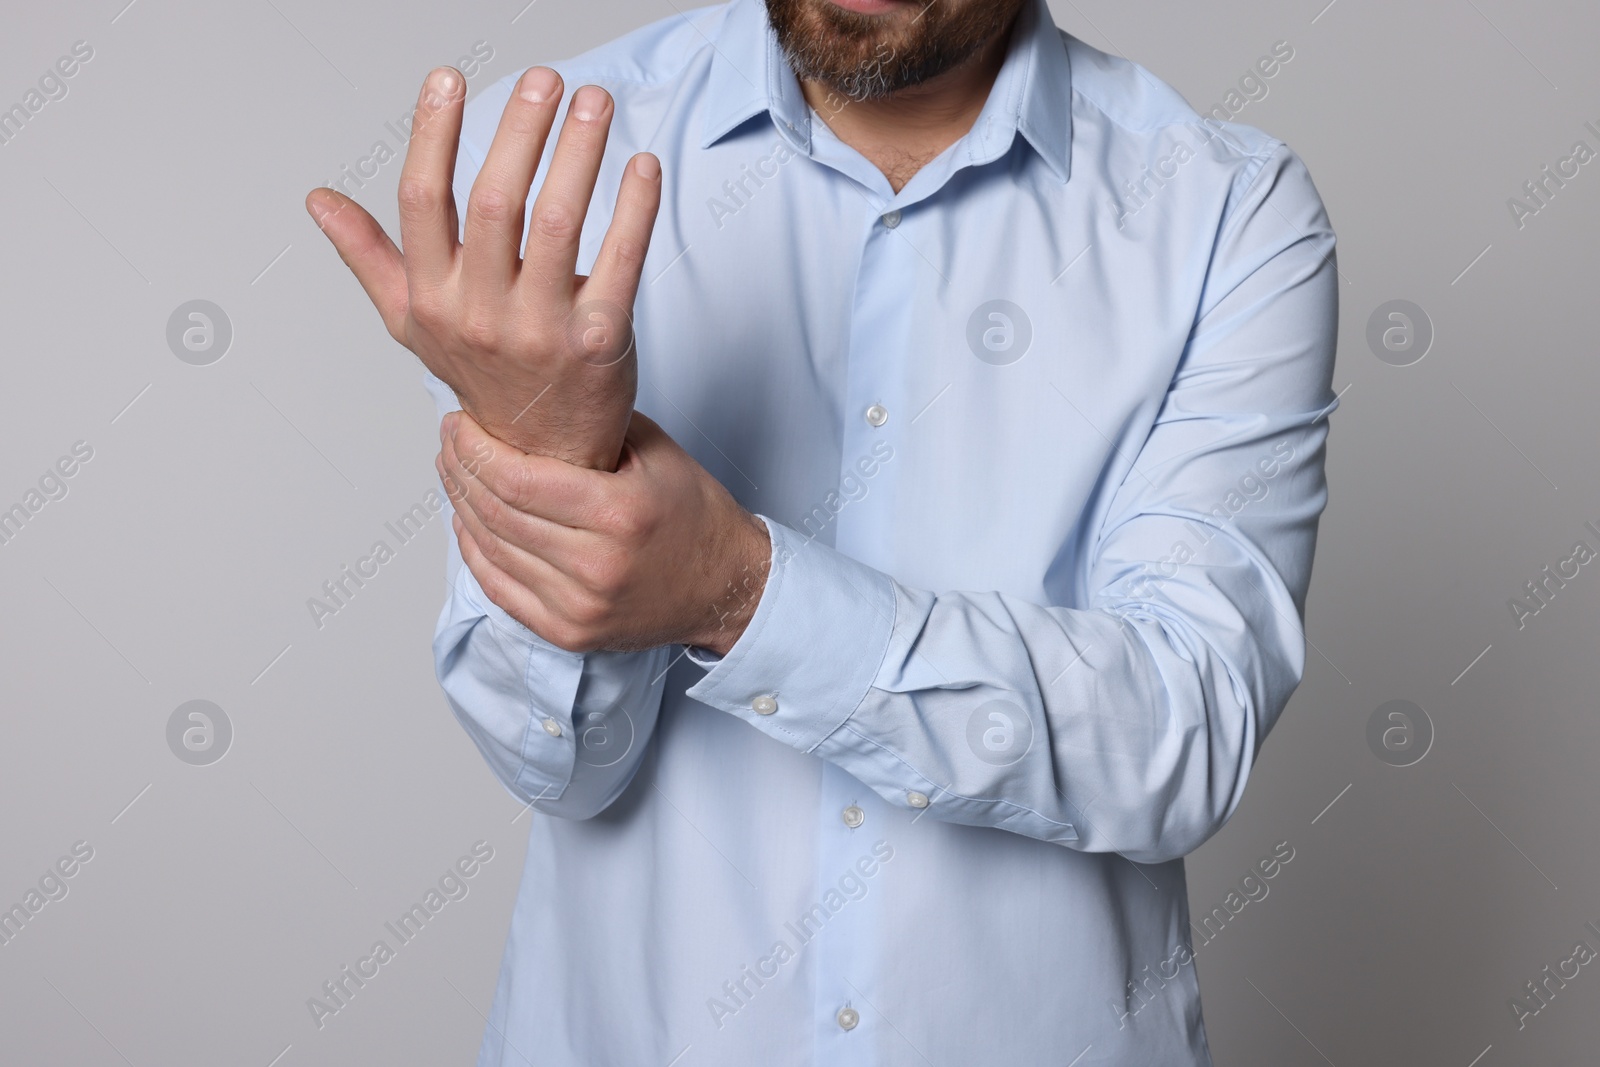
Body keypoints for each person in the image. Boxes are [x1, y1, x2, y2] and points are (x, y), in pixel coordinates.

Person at [306, 0, 1338, 1062]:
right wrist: (562, 465)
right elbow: (555, 764)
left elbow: (1182, 736)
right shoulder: (560, 160)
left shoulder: (1224, 209)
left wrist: (740, 592)